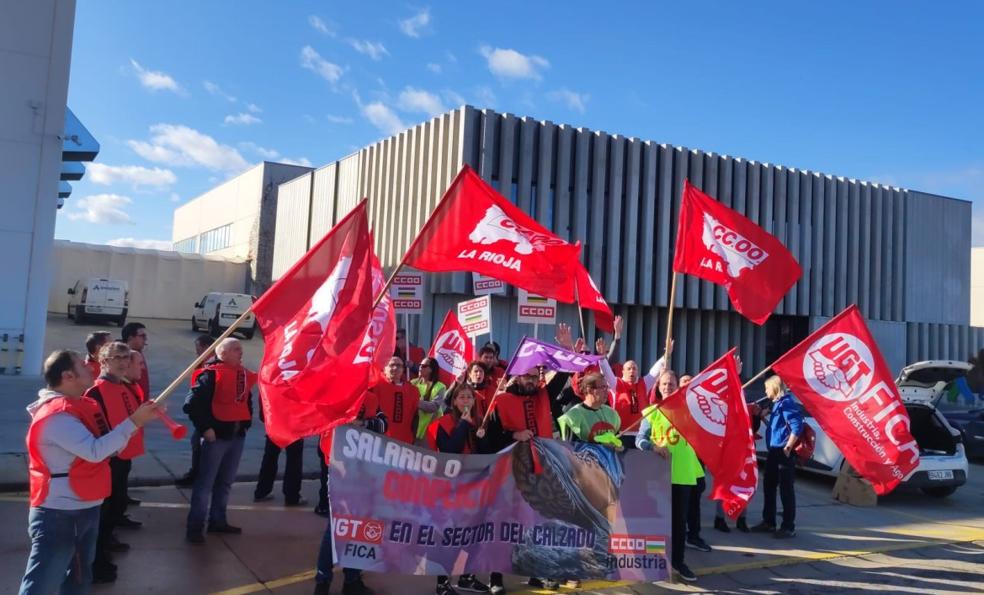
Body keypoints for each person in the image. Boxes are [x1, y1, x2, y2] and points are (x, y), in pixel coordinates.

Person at [19, 350, 157, 594]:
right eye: (83, 366)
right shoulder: (57, 416)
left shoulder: (77, 407)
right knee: (43, 581)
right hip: (60, 513)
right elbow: (95, 450)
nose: (90, 368)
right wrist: (133, 422)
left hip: (83, 507)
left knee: (79, 578)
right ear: (68, 375)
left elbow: (107, 448)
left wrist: (132, 424)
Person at [313, 389, 388, 595]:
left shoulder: (371, 397)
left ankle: (352, 579)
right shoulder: (333, 394)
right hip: (339, 470)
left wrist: (362, 424)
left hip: (364, 469)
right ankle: (323, 580)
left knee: (360, 525)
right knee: (336, 526)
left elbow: (383, 424)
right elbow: (322, 422)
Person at [84, 342, 148, 581]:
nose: (123, 362)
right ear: (104, 362)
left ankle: (102, 552)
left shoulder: (124, 387)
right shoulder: (95, 391)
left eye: (125, 357)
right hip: (107, 460)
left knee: (114, 509)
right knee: (102, 513)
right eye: (116, 358)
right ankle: (95, 562)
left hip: (123, 458)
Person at [184, 338, 255, 544]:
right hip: (216, 438)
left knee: (224, 483)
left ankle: (218, 521)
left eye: (240, 349)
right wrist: (206, 428)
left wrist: (244, 425)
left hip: (235, 437)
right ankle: (195, 528)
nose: (240, 353)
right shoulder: (211, 374)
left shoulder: (242, 373)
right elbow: (192, 405)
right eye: (235, 349)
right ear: (222, 353)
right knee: (205, 484)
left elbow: (245, 401)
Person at [426, 386, 494, 595]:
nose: (466, 400)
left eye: (469, 397)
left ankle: (467, 577)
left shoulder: (479, 422)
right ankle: (442, 582)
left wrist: (482, 436)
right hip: (450, 488)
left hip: (474, 487)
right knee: (448, 535)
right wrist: (464, 423)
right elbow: (449, 450)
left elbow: (486, 453)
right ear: (454, 401)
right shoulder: (442, 423)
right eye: (461, 397)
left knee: (473, 534)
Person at [638, 370, 702, 583]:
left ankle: (678, 562)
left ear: (678, 386)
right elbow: (640, 440)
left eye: (671, 384)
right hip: (659, 475)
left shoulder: (690, 411)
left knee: (679, 522)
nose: (667, 387)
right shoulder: (652, 412)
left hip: (683, 473)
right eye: (664, 384)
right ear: (658, 387)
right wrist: (653, 446)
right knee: (657, 521)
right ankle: (656, 562)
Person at [751, 376, 802, 539]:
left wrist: (788, 447)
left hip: (782, 452)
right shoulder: (778, 405)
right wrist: (763, 418)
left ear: (774, 388)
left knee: (786, 490)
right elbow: (777, 429)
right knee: (769, 486)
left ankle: (788, 526)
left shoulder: (786, 403)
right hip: (774, 451)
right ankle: (769, 521)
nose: (765, 392)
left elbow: (797, 426)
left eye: (767, 388)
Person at [178, 334, 215, 487]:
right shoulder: (203, 363)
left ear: (206, 347)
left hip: (208, 414)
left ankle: (201, 476)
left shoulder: (211, 366)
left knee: (203, 445)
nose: (196, 352)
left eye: (198, 348)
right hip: (202, 413)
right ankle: (197, 473)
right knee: (197, 443)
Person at [412, 357, 446, 443]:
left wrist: (414, 402)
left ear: (431, 369)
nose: (420, 367)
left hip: (429, 432)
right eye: (419, 365)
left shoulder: (440, 386)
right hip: (412, 429)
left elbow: (433, 407)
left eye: (424, 366)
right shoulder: (412, 383)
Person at [121, 323, 150, 399]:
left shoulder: (139, 353)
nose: (145, 339)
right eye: (142, 336)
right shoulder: (122, 357)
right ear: (130, 338)